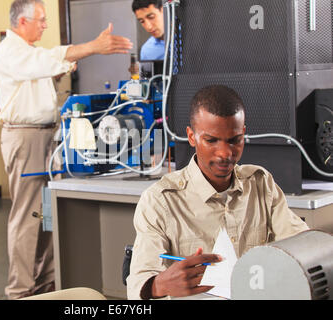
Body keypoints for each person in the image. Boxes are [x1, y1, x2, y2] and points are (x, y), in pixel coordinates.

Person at [0, 0, 133, 300]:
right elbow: (46, 60)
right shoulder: (10, 50)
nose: (45, 25)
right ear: (22, 22)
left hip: (46, 137)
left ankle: (44, 288)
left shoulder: (27, 53)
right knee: (27, 217)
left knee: (46, 214)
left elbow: (42, 69)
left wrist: (59, 70)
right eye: (41, 20)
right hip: (26, 138)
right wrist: (93, 46)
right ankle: (19, 292)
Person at [126, 85, 309, 300]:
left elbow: (302, 245)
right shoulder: (161, 200)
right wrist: (159, 286)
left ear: (243, 134)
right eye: (211, 140)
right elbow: (137, 286)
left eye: (234, 140)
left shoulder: (260, 184)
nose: (225, 153)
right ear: (192, 137)